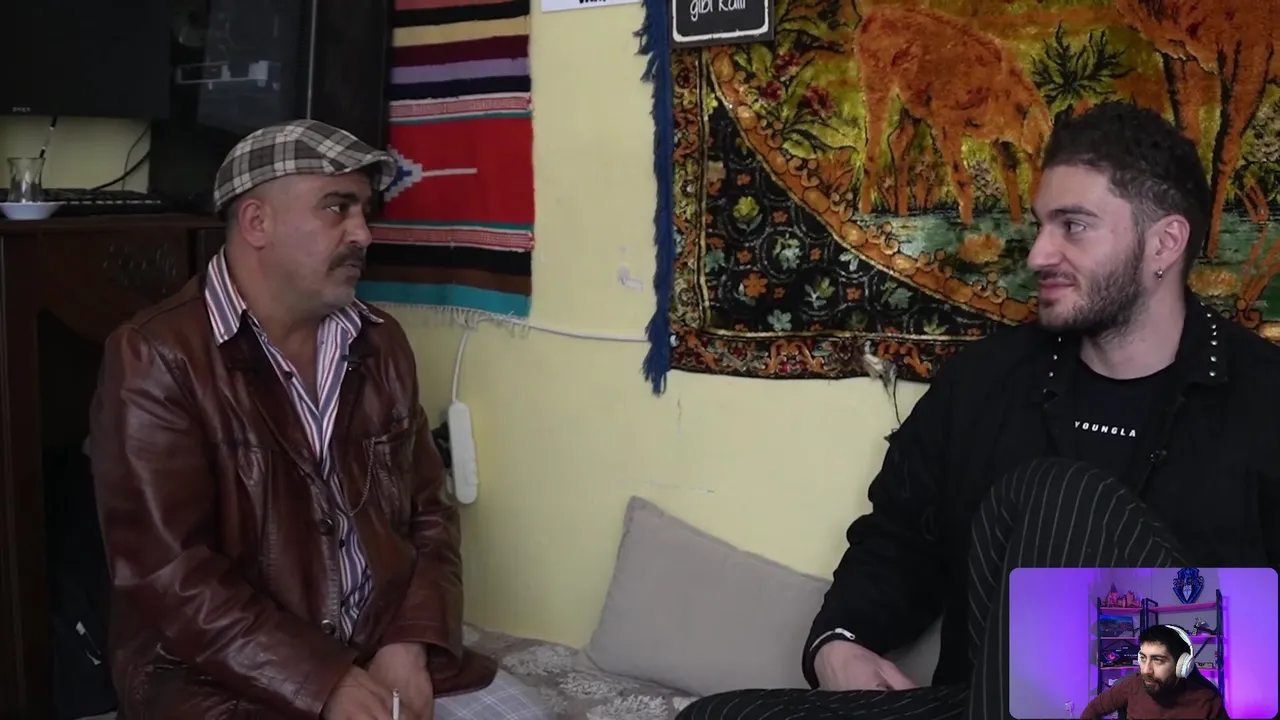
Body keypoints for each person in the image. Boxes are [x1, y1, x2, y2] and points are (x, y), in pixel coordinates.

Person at [676, 102, 1280, 720]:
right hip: (987, 702)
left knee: (1056, 497)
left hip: (1183, 705)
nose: (1038, 255)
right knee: (714, 717)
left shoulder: (1266, 398)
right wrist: (840, 641)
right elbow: (901, 537)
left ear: (1165, 243)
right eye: (1041, 226)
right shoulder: (985, 381)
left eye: (1073, 226)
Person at [89, 120, 550, 720]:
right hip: (221, 677)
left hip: (380, 647)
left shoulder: (380, 343)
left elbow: (429, 516)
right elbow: (168, 573)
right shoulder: (157, 355)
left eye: (364, 211)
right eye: (337, 207)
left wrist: (408, 643)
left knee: (527, 713)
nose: (363, 233)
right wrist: (325, 681)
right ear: (257, 222)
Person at [1080, 624, 1226, 719]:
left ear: (1182, 665)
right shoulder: (1132, 685)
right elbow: (1094, 708)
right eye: (1143, 658)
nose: (1146, 670)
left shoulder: (1209, 702)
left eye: (1157, 660)